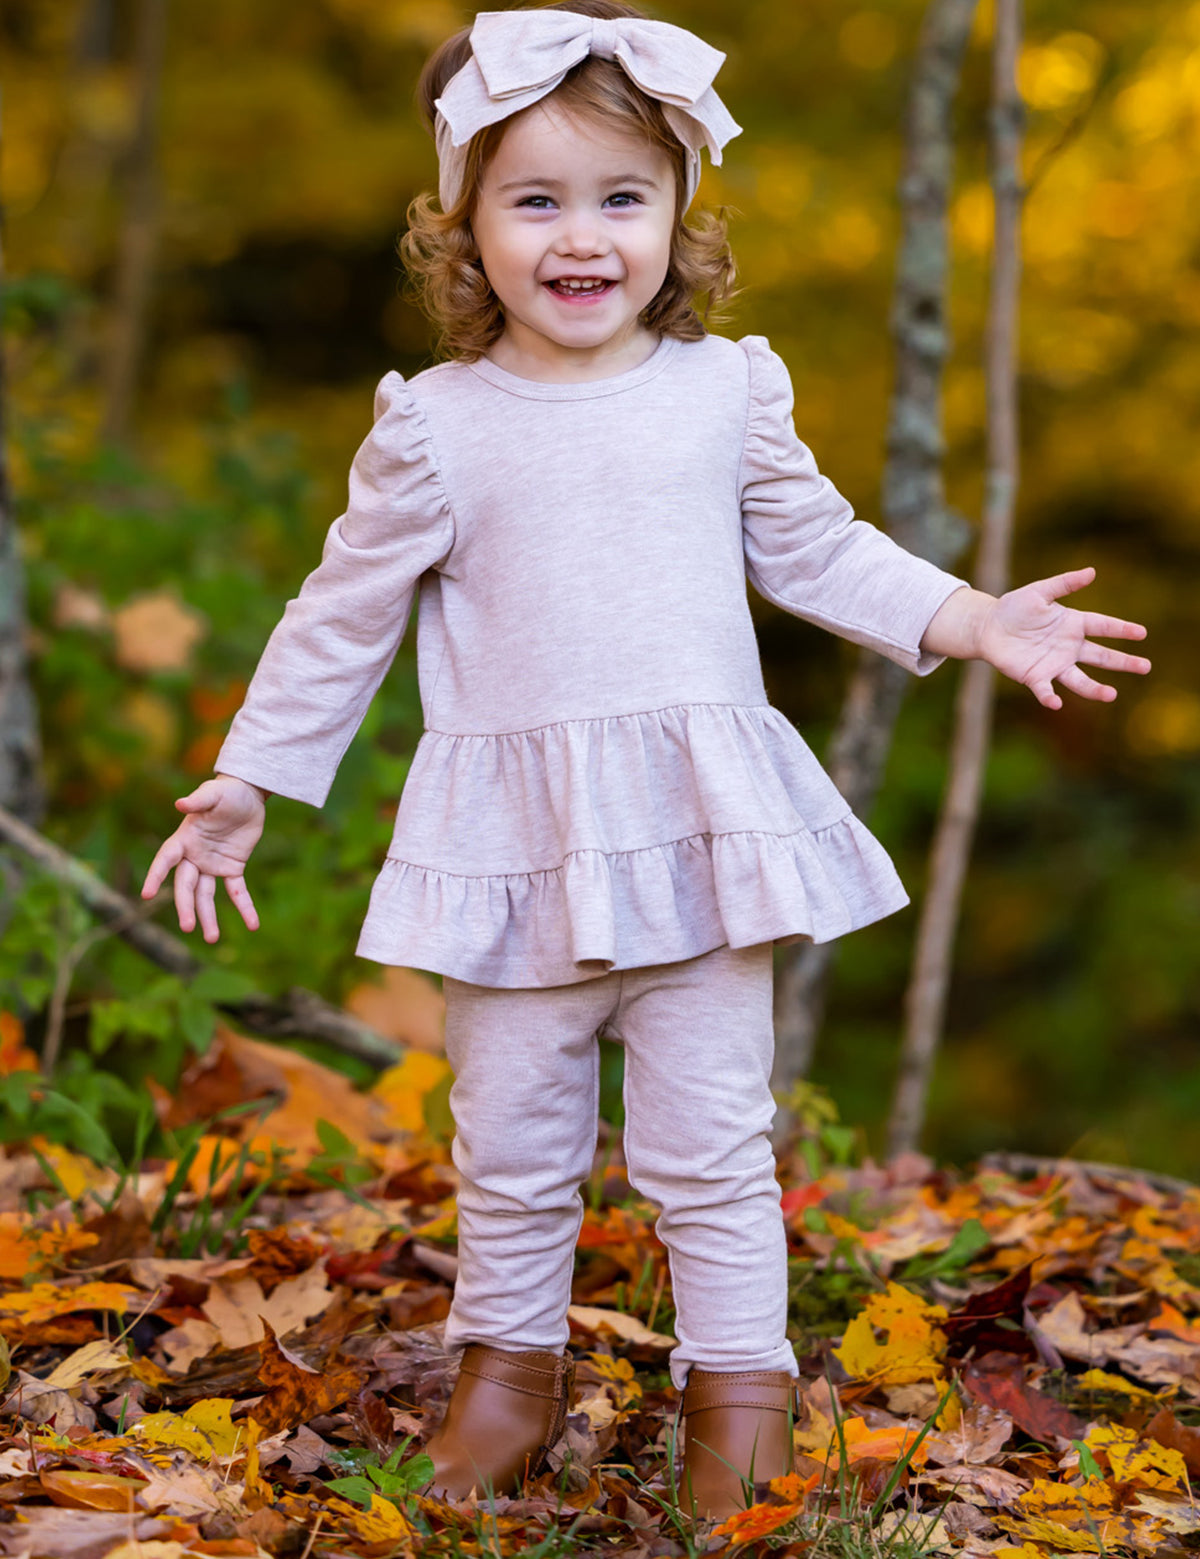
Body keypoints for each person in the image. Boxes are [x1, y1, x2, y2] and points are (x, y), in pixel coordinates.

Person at [141, 0, 1150, 1521]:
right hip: (511, 846)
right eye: (533, 199)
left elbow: (821, 549)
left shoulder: (723, 391)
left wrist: (968, 616)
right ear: (462, 227)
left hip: (696, 836)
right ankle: (505, 1390)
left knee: (714, 1150)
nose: (581, 237)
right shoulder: (437, 430)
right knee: (513, 1147)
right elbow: (339, 617)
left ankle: (737, 1410)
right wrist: (252, 779)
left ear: (680, 213)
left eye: (623, 196)